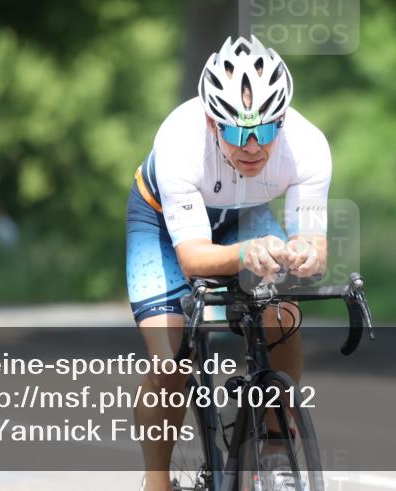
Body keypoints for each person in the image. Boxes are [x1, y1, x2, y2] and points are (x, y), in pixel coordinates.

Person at [125, 35, 331, 491]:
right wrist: (245, 254)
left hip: (244, 217)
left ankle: (276, 440)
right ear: (210, 121)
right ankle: (156, 481)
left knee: (283, 315)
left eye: (266, 130)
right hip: (162, 226)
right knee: (171, 357)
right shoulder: (179, 138)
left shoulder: (309, 146)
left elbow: (315, 252)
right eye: (236, 131)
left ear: (283, 120)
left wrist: (303, 255)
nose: (253, 146)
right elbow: (195, 258)